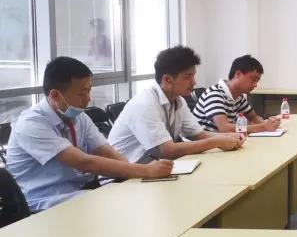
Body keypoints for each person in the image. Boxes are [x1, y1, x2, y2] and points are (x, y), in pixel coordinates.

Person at [5, 57, 173, 212]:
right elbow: (83, 162)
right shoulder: (31, 124)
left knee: (135, 198)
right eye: (81, 94)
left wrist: (135, 173)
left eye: (89, 91)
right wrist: (145, 170)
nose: (88, 99)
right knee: (121, 207)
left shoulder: (78, 116)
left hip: (78, 193)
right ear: (55, 95)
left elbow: (106, 151)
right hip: (44, 203)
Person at [108, 46, 244, 163]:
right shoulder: (144, 104)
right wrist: (217, 141)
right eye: (187, 77)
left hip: (152, 168)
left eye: (193, 76)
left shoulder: (178, 101)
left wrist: (226, 137)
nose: (194, 82)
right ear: (167, 80)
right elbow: (166, 151)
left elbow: (199, 135)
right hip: (122, 177)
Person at [192, 55, 280, 134]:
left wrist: (270, 123)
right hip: (202, 144)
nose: (255, 85)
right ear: (238, 74)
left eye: (257, 81)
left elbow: (254, 118)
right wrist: (264, 127)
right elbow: (225, 128)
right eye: (253, 79)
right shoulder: (214, 94)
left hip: (221, 142)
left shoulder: (238, 96)